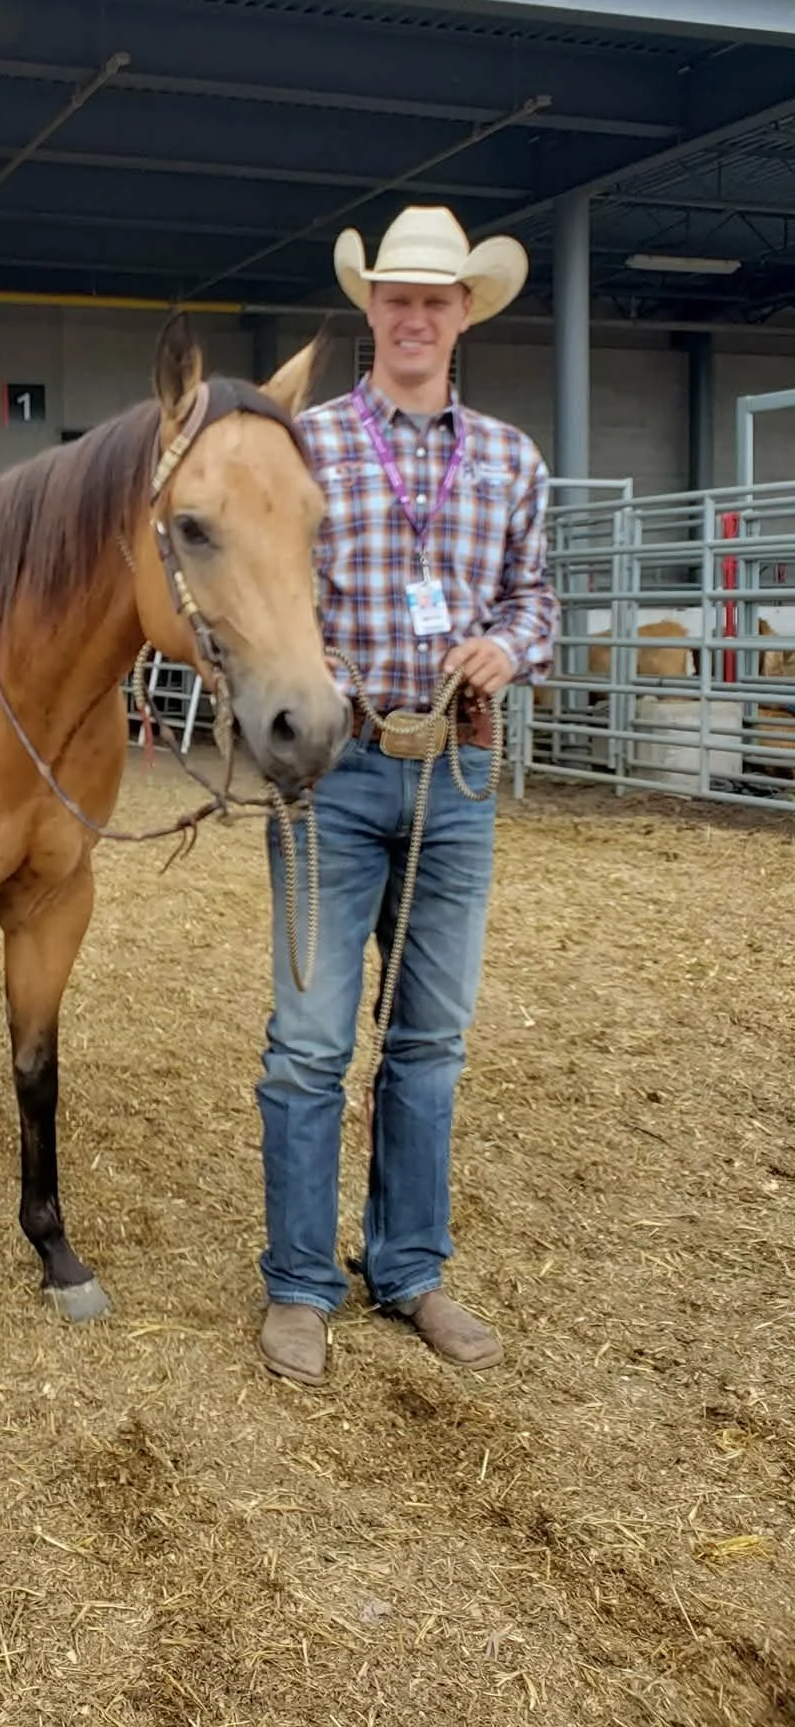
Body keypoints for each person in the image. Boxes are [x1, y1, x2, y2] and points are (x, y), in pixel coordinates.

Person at [257, 206, 558, 1389]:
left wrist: (507, 648)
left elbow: (536, 597)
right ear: (368, 308)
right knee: (310, 1041)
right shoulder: (312, 445)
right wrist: (309, 664)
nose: (416, 315)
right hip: (339, 768)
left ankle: (410, 1269)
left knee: (428, 1040)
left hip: (458, 769)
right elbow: (271, 587)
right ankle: (296, 1284)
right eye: (397, 296)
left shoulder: (512, 461)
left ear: (465, 311)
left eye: (437, 298)